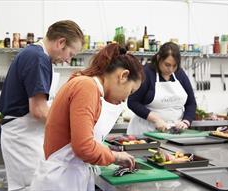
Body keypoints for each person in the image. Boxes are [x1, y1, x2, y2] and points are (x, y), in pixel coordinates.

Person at [30, 43, 144, 191]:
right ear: (123, 76)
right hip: (62, 181)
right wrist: (114, 156)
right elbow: (83, 147)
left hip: (67, 176)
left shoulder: (86, 84)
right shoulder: (86, 87)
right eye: (130, 91)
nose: (124, 100)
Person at [0, 20, 84, 191]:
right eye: (71, 54)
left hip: (26, 134)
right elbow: (38, 110)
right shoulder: (38, 58)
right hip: (23, 137)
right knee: (32, 187)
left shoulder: (37, 55)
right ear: (60, 42)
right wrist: (73, 128)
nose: (68, 60)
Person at [127, 42, 196, 135]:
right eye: (167, 65)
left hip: (173, 132)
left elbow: (191, 103)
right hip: (146, 131)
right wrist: (156, 119)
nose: (171, 69)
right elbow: (132, 102)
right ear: (159, 58)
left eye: (174, 66)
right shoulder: (146, 72)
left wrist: (186, 121)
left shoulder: (180, 74)